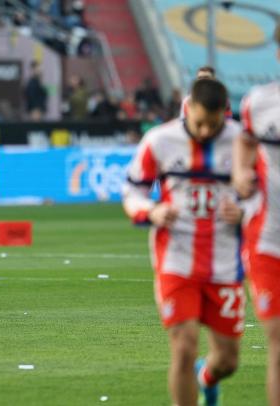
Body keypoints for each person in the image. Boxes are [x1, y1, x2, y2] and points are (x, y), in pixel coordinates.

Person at [123, 79, 246, 406]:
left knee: (228, 361)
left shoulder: (242, 142)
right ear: (188, 109)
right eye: (200, 122)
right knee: (183, 346)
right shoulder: (160, 140)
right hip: (175, 259)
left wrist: (245, 210)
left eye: (214, 123)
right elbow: (132, 192)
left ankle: (207, 376)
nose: (206, 131)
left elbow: (265, 193)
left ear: (225, 115)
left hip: (225, 264)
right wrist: (152, 210)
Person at [233, 24, 280, 406]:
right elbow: (246, 141)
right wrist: (240, 173)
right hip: (269, 239)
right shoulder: (259, 103)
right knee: (278, 342)